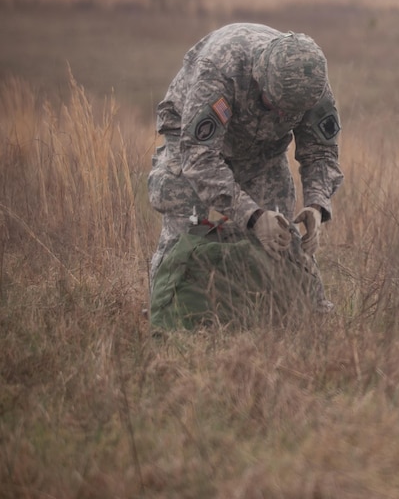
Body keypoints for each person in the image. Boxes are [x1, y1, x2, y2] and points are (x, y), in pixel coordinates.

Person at [147, 23, 343, 309]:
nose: (282, 115)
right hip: (190, 140)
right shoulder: (220, 70)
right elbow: (199, 156)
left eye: (289, 114)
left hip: (262, 150)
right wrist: (250, 214)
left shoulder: (310, 83)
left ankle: (302, 314)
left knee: (279, 235)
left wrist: (317, 204)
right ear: (259, 80)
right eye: (275, 106)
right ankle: (165, 311)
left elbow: (321, 152)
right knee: (184, 223)